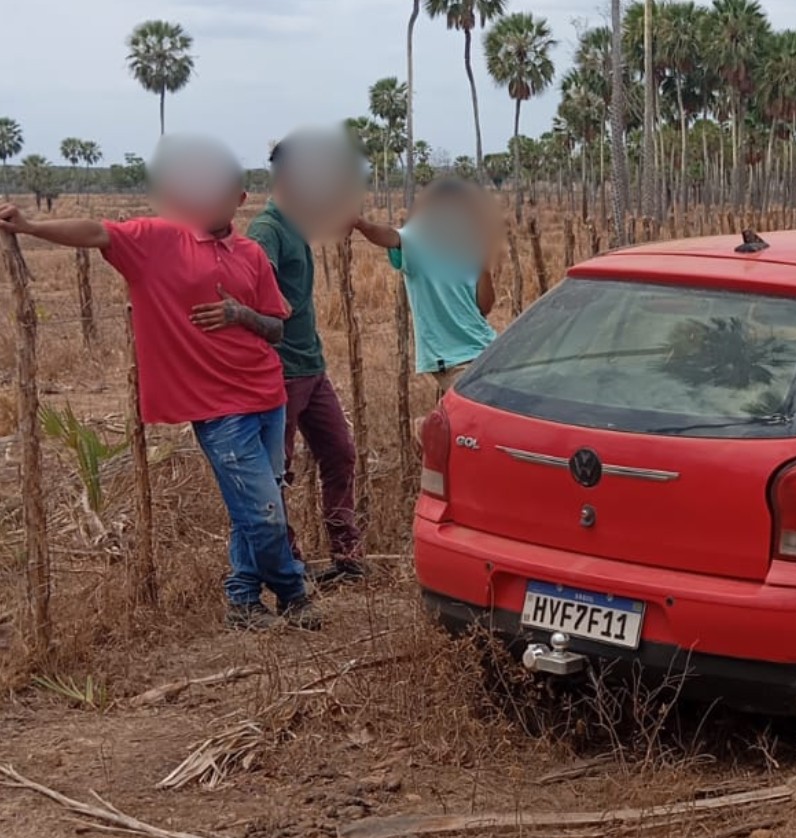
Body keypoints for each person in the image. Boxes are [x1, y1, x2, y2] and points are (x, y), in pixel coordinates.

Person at [0, 136, 318, 632]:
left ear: (239, 200)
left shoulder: (251, 254)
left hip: (267, 396)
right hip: (217, 409)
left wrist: (239, 314)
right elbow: (97, 231)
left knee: (257, 504)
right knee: (264, 513)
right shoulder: (159, 241)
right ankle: (295, 592)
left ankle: (243, 599)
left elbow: (277, 326)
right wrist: (32, 226)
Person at [248, 135, 365, 585]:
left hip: (311, 368)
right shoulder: (268, 230)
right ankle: (288, 566)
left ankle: (346, 556)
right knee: (277, 473)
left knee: (339, 454)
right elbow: (253, 287)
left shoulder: (294, 224)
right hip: (282, 372)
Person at [350, 178, 498, 435]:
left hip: (486, 345)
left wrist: (485, 267)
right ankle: (429, 431)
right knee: (480, 421)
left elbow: (484, 307)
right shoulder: (418, 241)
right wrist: (361, 223)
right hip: (451, 356)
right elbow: (387, 236)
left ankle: (439, 427)